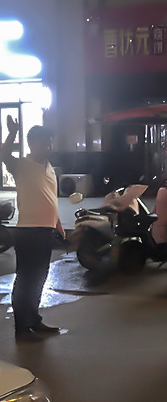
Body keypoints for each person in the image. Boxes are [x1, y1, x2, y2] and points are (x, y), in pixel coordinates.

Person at [1, 115, 65, 342]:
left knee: (39, 279)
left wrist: (58, 225)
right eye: (43, 143)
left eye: (50, 143)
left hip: (46, 231)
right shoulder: (21, 165)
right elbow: (3, 155)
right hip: (29, 232)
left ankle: (34, 319)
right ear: (31, 144)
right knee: (26, 280)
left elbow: (51, 198)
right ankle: (21, 327)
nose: (48, 147)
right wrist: (12, 133)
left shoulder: (50, 168)